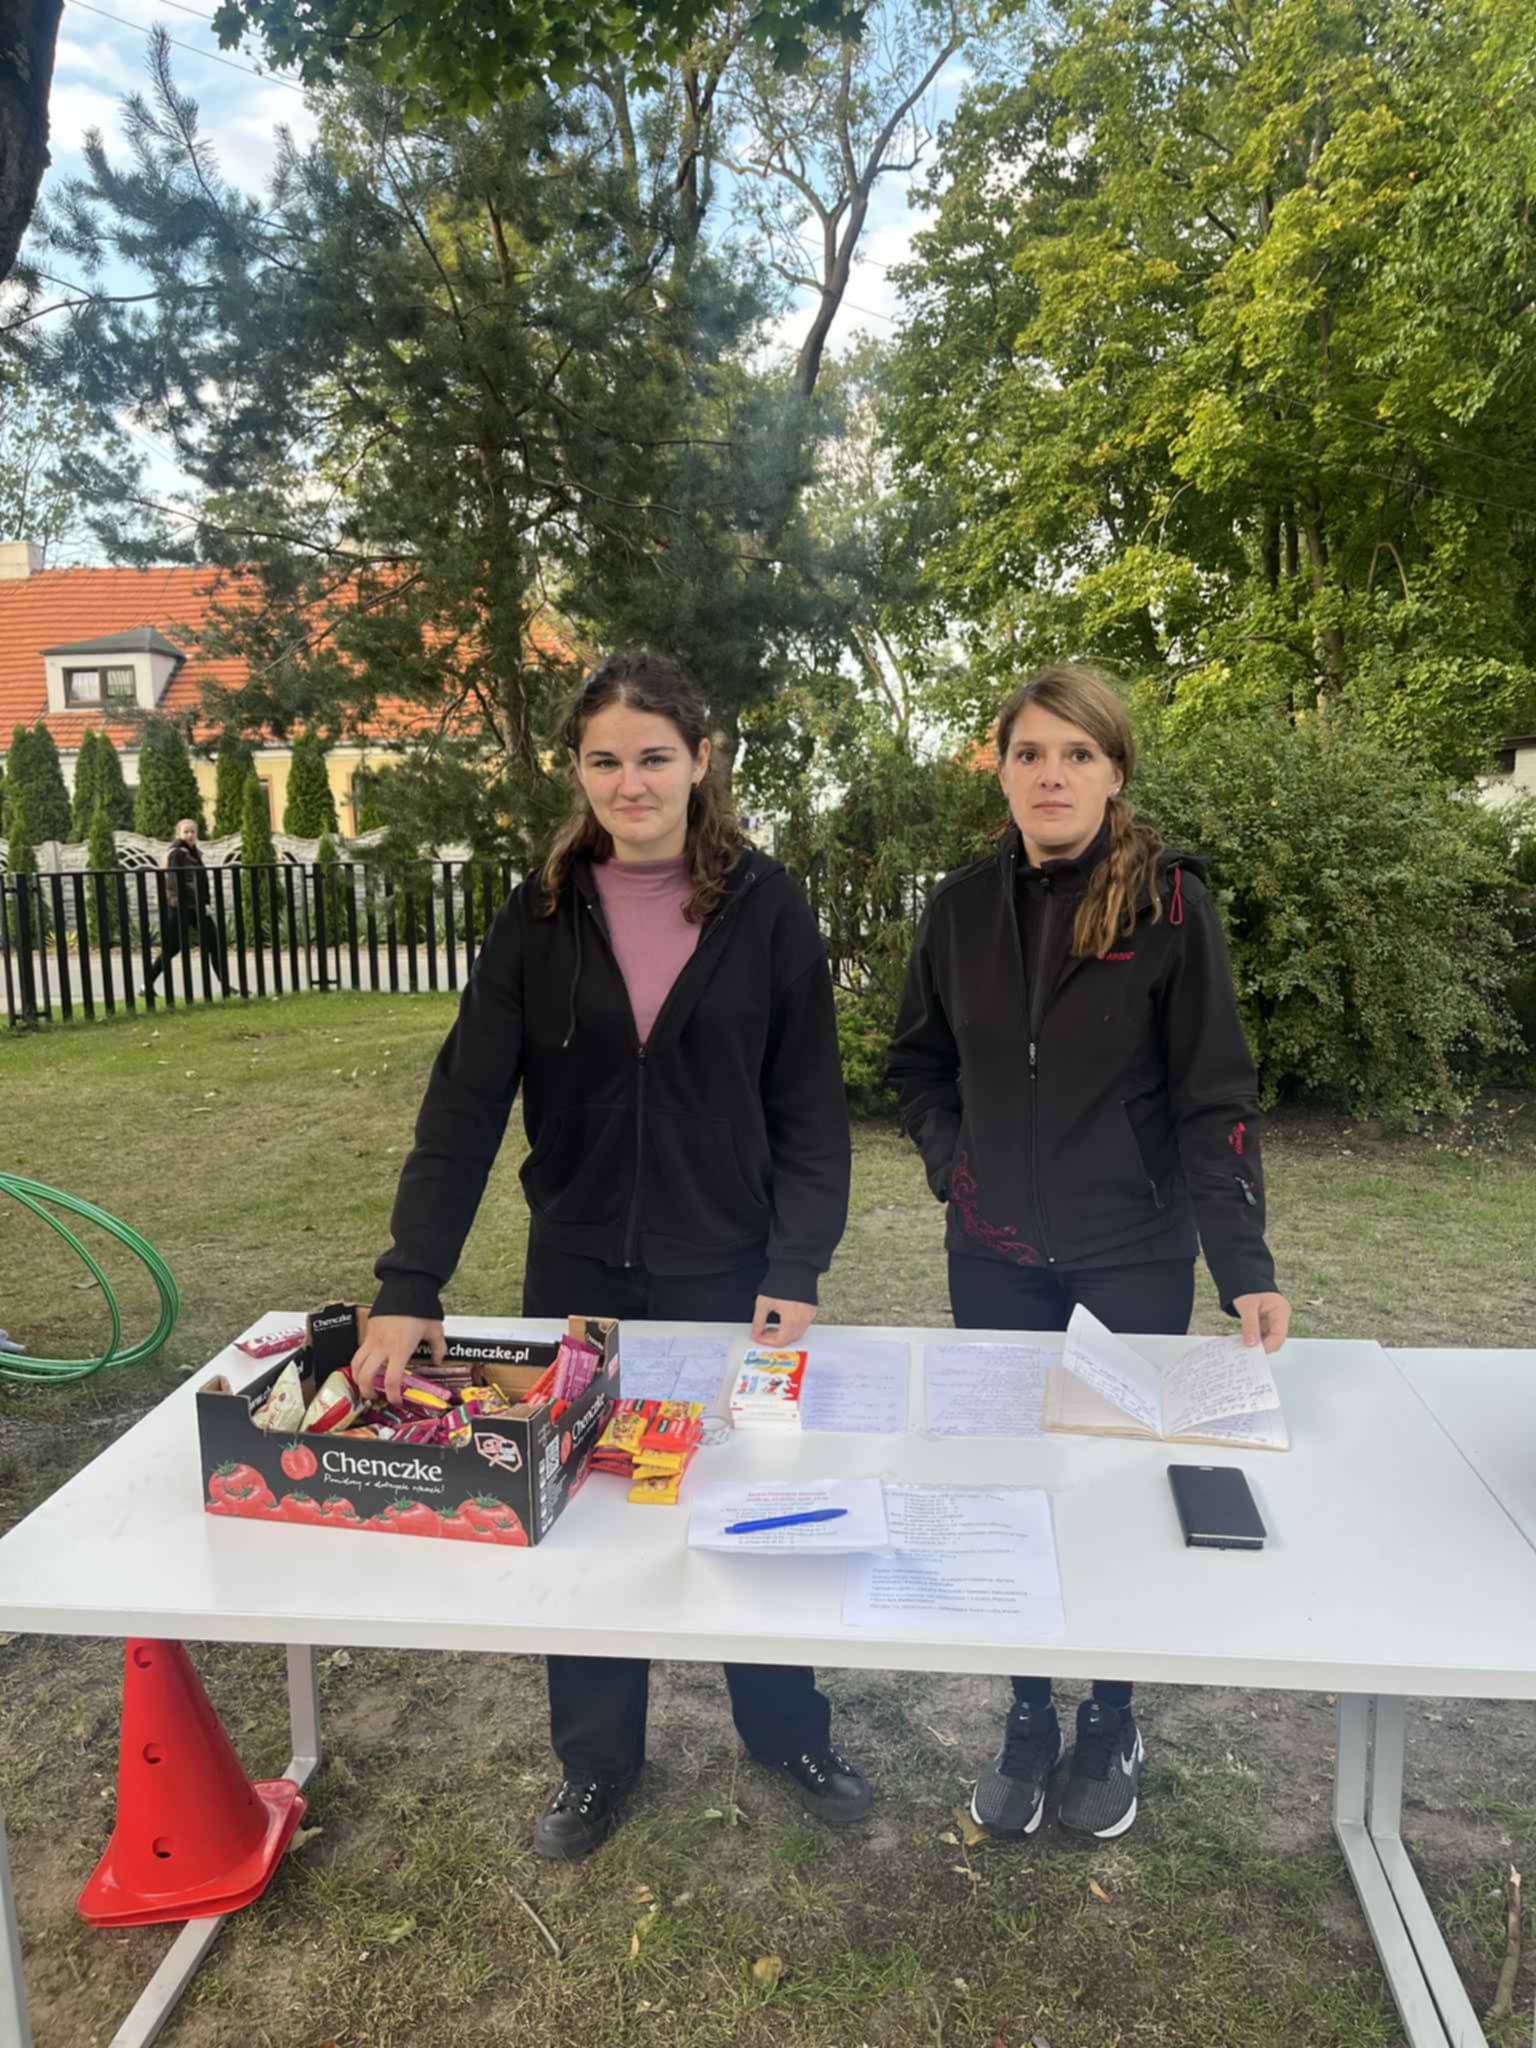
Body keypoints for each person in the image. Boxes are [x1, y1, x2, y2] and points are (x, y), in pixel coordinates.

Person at [352, 648, 871, 1861]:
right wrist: (408, 1279)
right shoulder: (537, 915)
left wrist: (796, 1263)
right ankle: (596, 1759)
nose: (630, 782)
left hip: (729, 1269)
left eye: (653, 756)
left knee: (748, 1498)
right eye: (604, 760)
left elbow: (809, 1103)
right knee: (580, 1511)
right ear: (576, 770)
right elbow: (464, 1103)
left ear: (701, 759)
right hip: (578, 1271)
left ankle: (786, 1729)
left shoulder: (768, 905)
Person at [887, 663, 1290, 1847]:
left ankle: (1110, 1712)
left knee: (1115, 1485)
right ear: (1002, 771)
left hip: (1131, 1253)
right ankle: (1027, 1709)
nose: (1051, 774)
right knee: (1011, 1483)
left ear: (1115, 771)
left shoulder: (1170, 904)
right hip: (994, 1255)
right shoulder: (959, 908)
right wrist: (956, 1166)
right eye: (1030, 752)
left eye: (1077, 753)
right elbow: (917, 1063)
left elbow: (1214, 1091)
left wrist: (1245, 1262)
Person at [145, 818, 229, 993]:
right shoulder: (177, 853)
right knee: (172, 948)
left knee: (214, 944)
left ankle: (225, 986)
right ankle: (146, 985)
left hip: (193, 906)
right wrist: (199, 903)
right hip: (180, 907)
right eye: (186, 832)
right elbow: (176, 882)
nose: (190, 835)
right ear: (179, 834)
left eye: (193, 831)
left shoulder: (192, 852)